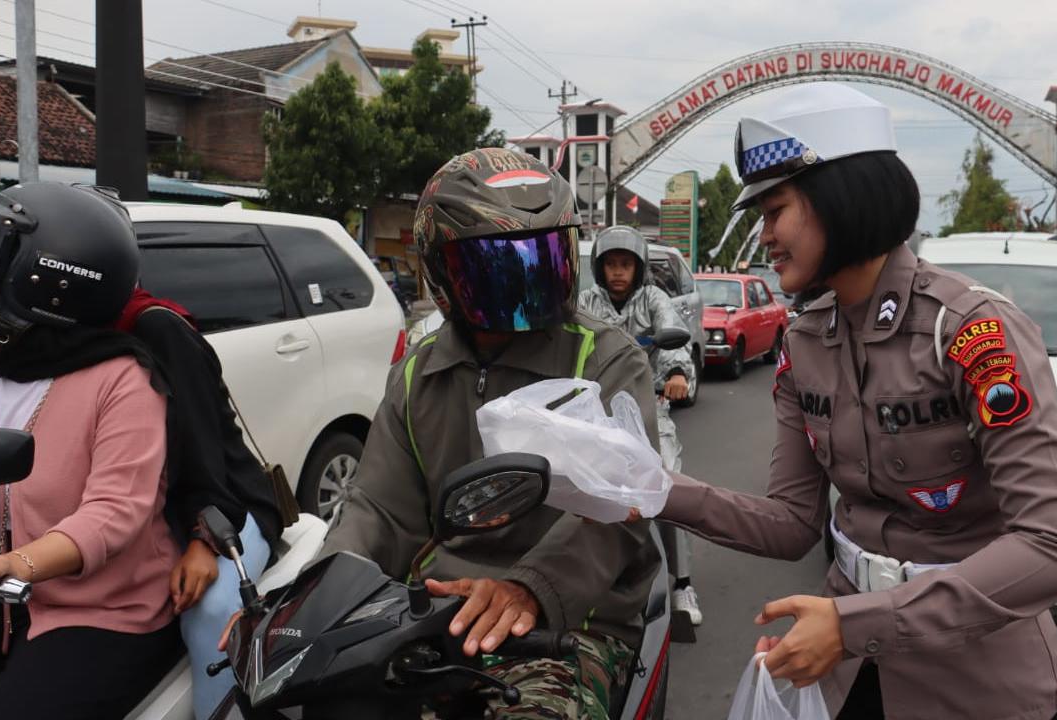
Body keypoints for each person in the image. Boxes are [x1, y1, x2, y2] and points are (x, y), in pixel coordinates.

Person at [644, 83, 1057, 719]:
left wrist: (855, 623)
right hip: (848, 676)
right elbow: (792, 524)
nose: (765, 235)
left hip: (975, 683)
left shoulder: (972, 331)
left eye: (775, 211)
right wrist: (646, 488)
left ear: (840, 198)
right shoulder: (805, 341)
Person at [321, 148, 661, 719]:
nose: (526, 286)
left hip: (575, 620)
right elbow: (377, 510)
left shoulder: (604, 360)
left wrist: (529, 586)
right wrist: (315, 597)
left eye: (543, 261)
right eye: (500, 271)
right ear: (443, 272)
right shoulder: (418, 372)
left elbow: (621, 508)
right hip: (441, 609)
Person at [0, 182, 181, 717]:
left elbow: (115, 511)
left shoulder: (123, 379)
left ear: (42, 288)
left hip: (106, 613)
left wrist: (12, 562)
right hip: (13, 610)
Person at [115, 289, 287, 720]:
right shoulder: (47, 342)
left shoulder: (154, 326)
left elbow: (203, 445)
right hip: (144, 513)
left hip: (228, 503)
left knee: (211, 613)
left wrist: (204, 540)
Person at [577, 226, 702, 624]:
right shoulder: (586, 301)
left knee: (668, 489)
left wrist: (678, 373)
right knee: (578, 489)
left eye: (625, 264)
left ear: (638, 268)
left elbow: (675, 338)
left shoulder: (653, 298)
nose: (617, 272)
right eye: (610, 264)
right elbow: (565, 341)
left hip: (650, 408)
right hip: (596, 416)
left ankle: (682, 584)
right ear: (599, 268)